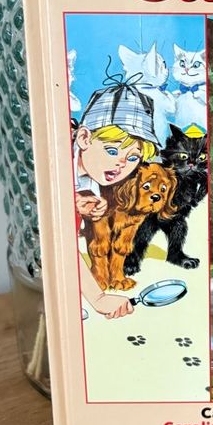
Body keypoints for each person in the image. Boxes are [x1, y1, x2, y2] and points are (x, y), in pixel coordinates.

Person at [73, 74, 158, 319]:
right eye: (112, 151)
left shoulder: (93, 179)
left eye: (133, 157)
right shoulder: (58, 167)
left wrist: (80, 207)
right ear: (84, 138)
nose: (121, 164)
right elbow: (61, 247)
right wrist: (98, 298)